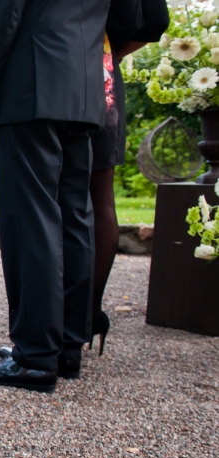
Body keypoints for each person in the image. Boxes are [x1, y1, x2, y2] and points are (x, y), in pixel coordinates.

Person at [0, 0, 140, 392]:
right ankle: (66, 348)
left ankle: (35, 355)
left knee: (31, 219)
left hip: (31, 84)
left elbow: (1, 15)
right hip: (85, 89)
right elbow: (134, 18)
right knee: (74, 216)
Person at [88, 0, 169, 354]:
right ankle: (88, 313)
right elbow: (156, 20)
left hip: (78, 69)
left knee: (63, 197)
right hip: (103, 68)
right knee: (100, 197)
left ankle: (65, 317)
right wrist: (111, 53)